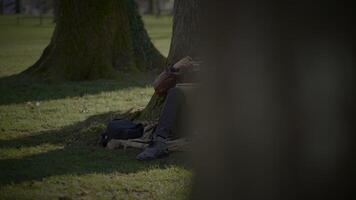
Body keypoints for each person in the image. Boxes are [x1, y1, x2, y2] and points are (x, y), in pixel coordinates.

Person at [136, 56, 199, 161]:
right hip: (185, 121)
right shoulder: (188, 66)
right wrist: (175, 68)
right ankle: (159, 142)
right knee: (175, 93)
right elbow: (158, 87)